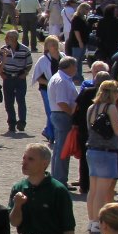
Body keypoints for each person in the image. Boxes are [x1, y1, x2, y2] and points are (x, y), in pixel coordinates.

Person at [83, 79, 118, 222]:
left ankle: (92, 221)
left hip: (92, 150)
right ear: (112, 93)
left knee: (93, 190)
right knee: (102, 191)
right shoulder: (110, 108)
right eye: (116, 91)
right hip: (106, 151)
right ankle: (97, 221)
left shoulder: (91, 108)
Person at [46, 55, 80, 185]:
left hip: (59, 115)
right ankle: (60, 179)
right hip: (63, 115)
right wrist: (72, 113)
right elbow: (62, 102)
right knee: (63, 149)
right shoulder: (62, 80)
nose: (76, 69)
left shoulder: (60, 78)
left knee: (59, 148)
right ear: (70, 66)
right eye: (75, 66)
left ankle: (57, 178)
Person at [0, 29, 32, 134]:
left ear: (14, 39)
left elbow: (29, 63)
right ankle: (11, 123)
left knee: (20, 100)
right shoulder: (3, 50)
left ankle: (22, 122)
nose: (5, 39)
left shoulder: (25, 50)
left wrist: (25, 73)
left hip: (19, 78)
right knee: (9, 102)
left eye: (7, 37)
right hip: (8, 78)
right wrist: (1, 74)